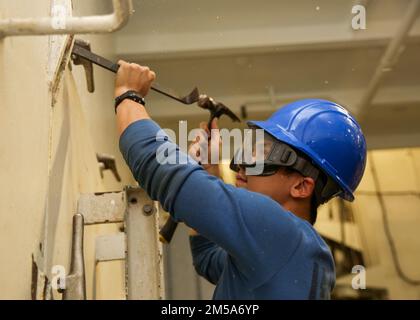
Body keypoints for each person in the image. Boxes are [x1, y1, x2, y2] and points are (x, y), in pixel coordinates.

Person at [114, 61, 367, 299]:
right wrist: (210, 173)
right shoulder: (296, 254)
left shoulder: (283, 233)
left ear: (301, 186)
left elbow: (159, 169)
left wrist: (129, 95)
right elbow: (209, 259)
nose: (242, 165)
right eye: (251, 150)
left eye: (264, 155)